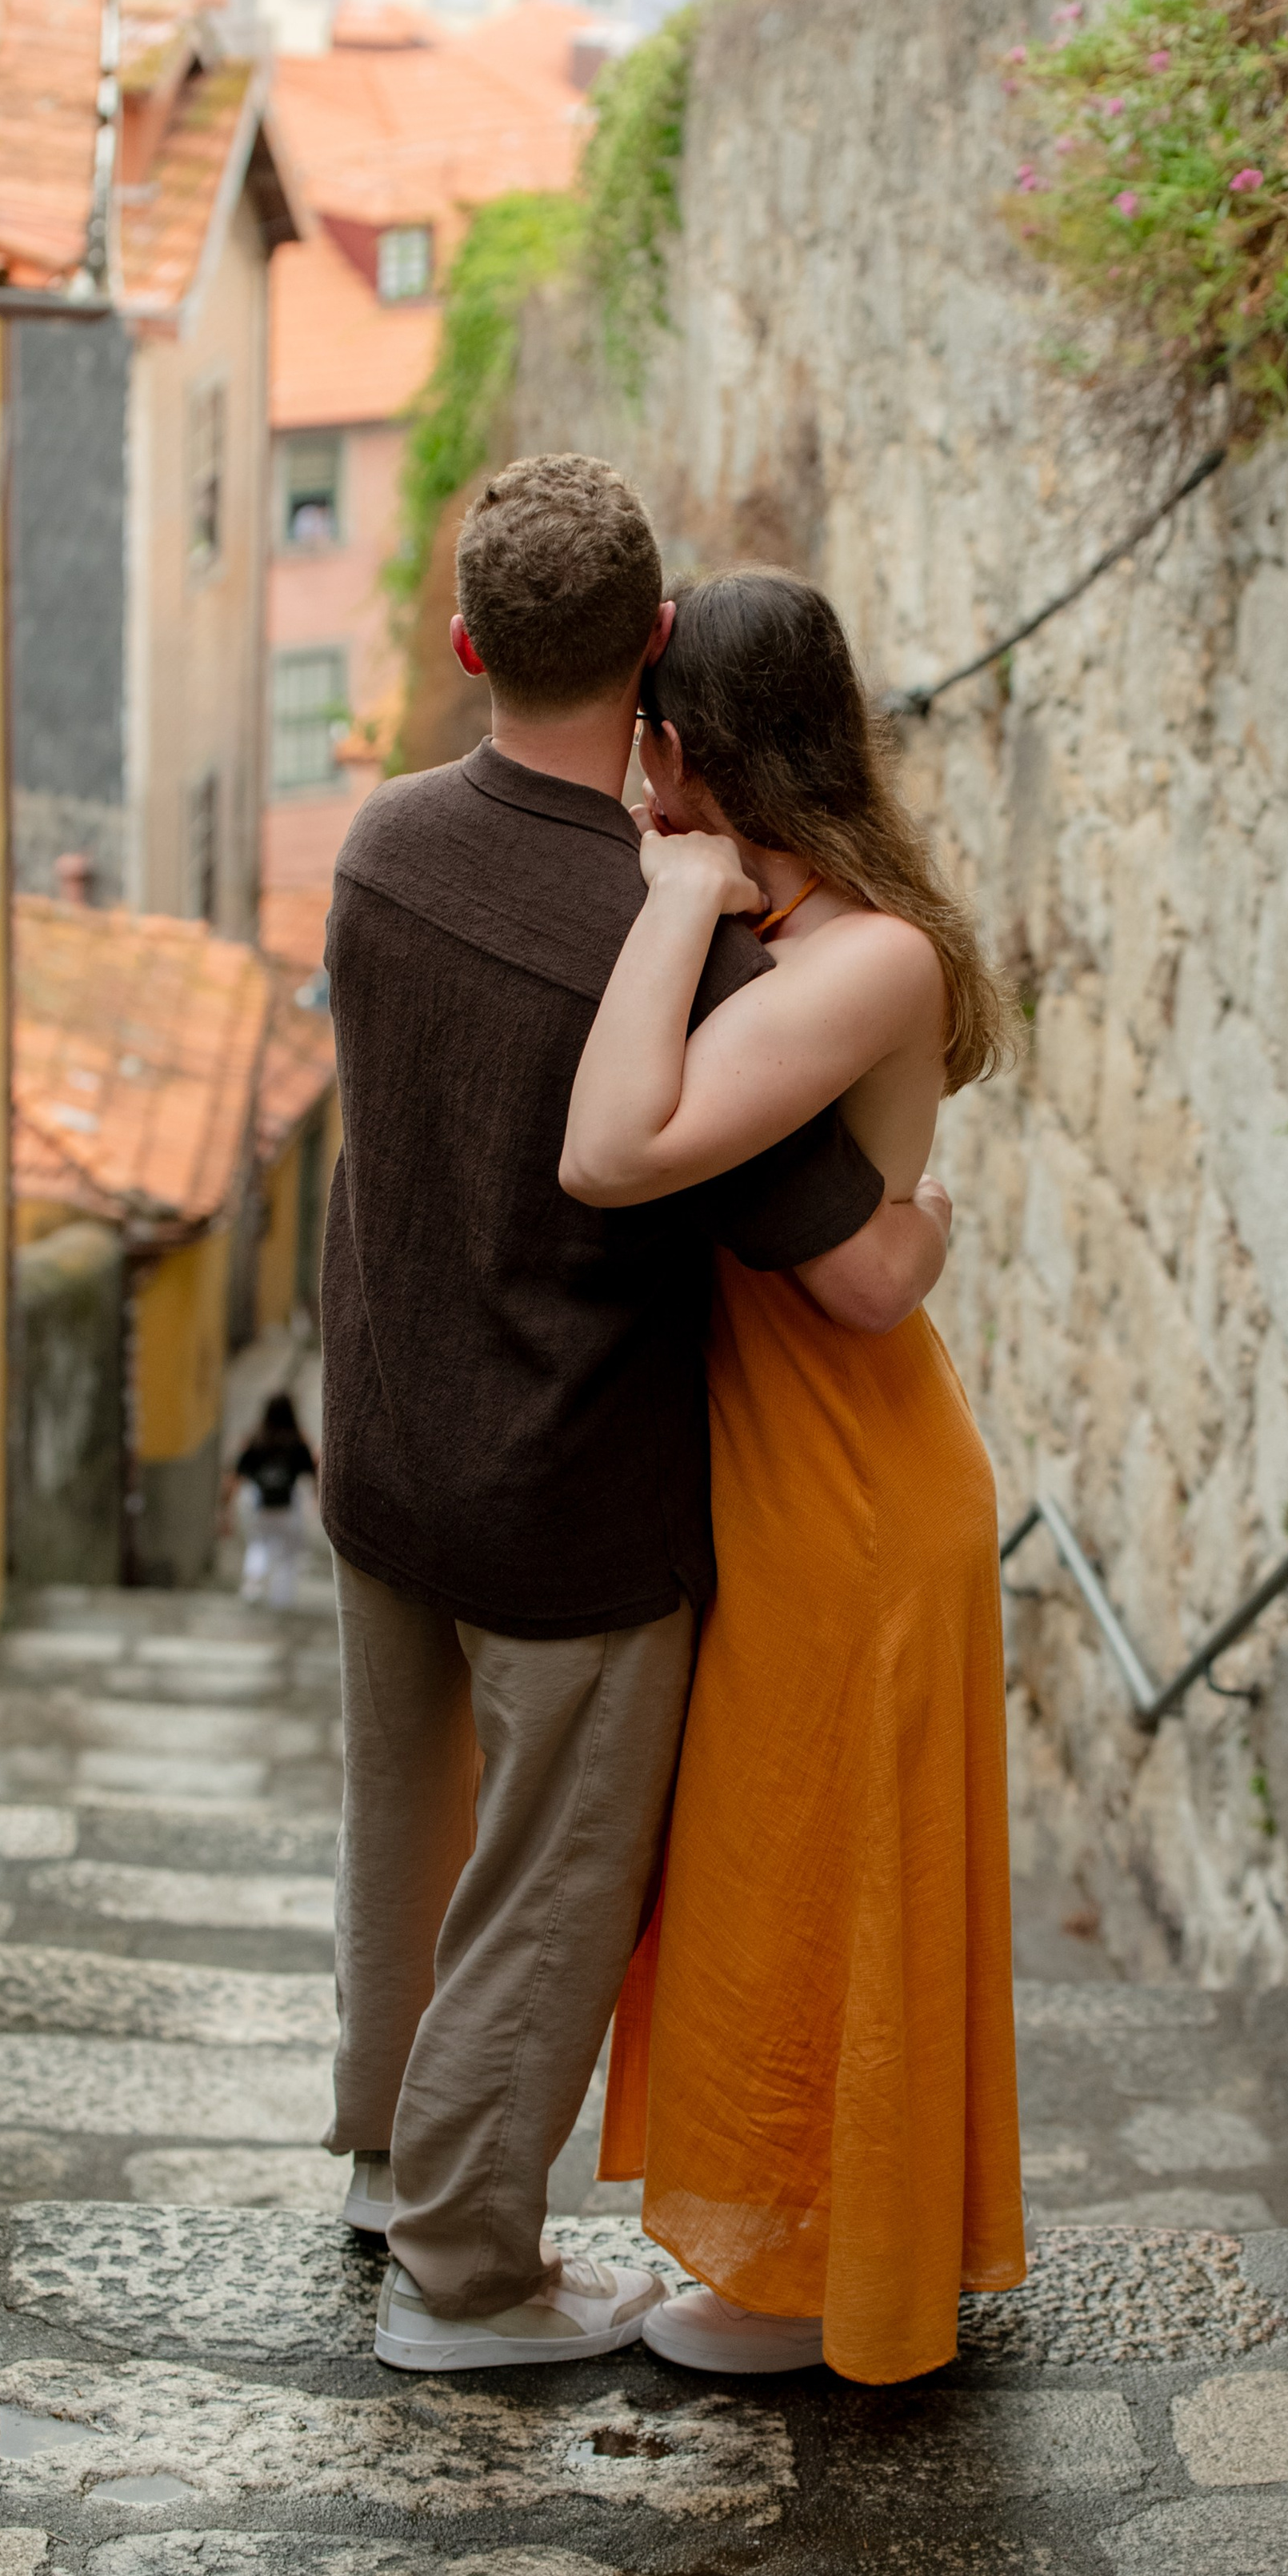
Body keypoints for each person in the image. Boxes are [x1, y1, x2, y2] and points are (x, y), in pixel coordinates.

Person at [318, 455, 951, 2374]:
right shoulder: (671, 939)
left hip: (383, 1453)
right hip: (564, 1496)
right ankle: (462, 2274)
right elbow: (839, 1254)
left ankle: (379, 2156)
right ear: (654, 641)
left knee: (399, 1840)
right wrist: (920, 1222)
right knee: (542, 1886)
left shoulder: (374, 847)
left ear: (462, 645)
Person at [561, 565, 1026, 2386]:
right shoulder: (799, 916)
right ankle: (777, 2247)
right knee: (764, 1862)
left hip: (850, 1487)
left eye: (647, 745)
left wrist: (673, 892)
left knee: (813, 1872)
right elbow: (852, 1236)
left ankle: (818, 2275)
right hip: (784, 1465)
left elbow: (615, 1144)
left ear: (687, 743)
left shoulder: (867, 954)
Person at [232, 1392, 317, 1608]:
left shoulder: (256, 1439)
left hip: (259, 1505)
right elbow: (311, 1472)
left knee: (258, 1544)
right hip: (288, 1506)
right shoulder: (297, 1441)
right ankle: (282, 1601)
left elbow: (238, 1471)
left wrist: (224, 1508)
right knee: (287, 1557)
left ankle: (253, 1585)